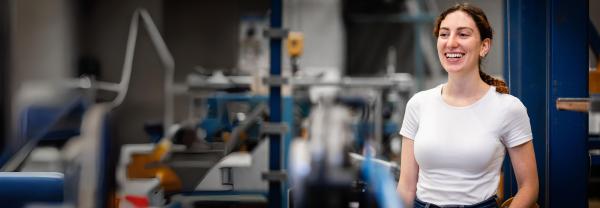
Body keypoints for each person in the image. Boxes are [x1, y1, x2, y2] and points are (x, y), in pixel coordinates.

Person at [396, 3, 539, 208]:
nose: (451, 43)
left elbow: (529, 186)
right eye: (444, 34)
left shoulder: (508, 108)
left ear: (484, 46)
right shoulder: (418, 104)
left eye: (463, 34)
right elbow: (406, 186)